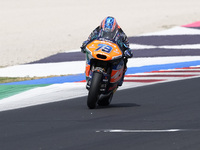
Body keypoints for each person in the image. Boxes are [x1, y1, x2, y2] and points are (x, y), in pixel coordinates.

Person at [81, 16, 133, 86]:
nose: (107, 31)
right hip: (99, 48)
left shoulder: (121, 33)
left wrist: (127, 50)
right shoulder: (97, 30)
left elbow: (126, 44)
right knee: (89, 54)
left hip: (111, 51)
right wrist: (85, 44)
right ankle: (90, 74)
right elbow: (90, 38)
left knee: (124, 59)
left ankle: (118, 79)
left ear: (114, 27)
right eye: (105, 29)